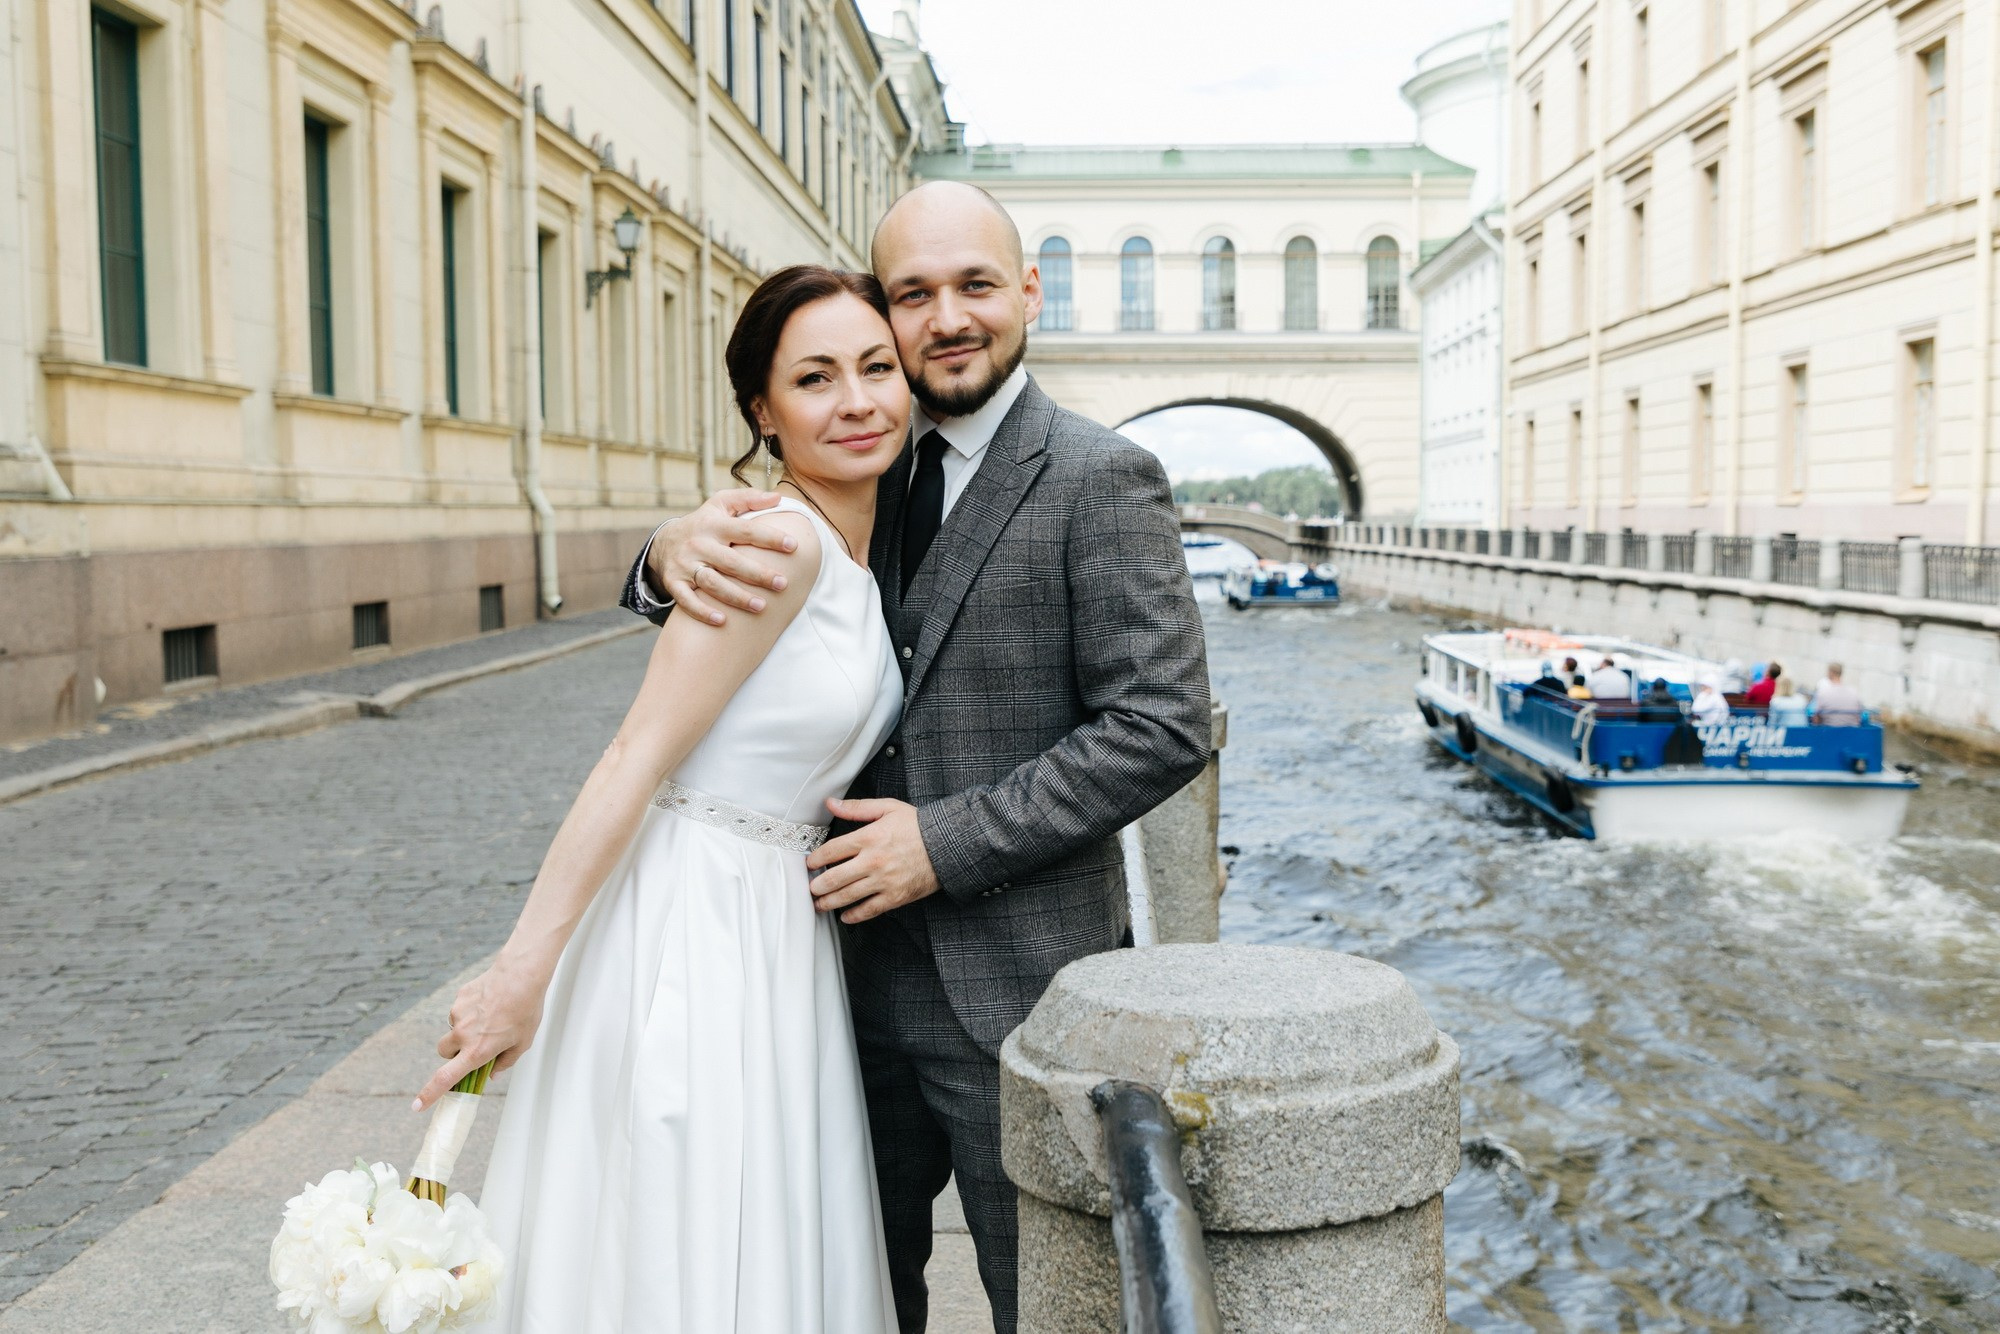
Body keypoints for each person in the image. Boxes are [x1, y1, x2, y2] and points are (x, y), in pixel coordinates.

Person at [615, 181, 1211, 1333]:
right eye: (912, 293)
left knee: (1034, 1303)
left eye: (975, 285)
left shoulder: (1100, 476)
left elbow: (1160, 722)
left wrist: (942, 842)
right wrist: (664, 545)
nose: (945, 317)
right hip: (820, 984)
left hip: (1013, 994)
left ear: (1028, 291)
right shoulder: (864, 456)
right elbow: (749, 613)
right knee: (832, 1291)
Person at [421, 267, 911, 1331]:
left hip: (775, 924)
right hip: (692, 924)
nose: (858, 399)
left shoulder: (856, 551)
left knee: (750, 1222)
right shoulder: (773, 541)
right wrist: (520, 969)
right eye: (816, 378)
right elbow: (634, 756)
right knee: (673, 1211)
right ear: (762, 412)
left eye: (876, 366)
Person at [1812, 662, 1865, 726]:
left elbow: (1816, 719)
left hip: (1830, 732)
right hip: (1853, 732)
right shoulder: (1854, 691)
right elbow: (1859, 716)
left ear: (1830, 673)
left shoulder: (1823, 692)